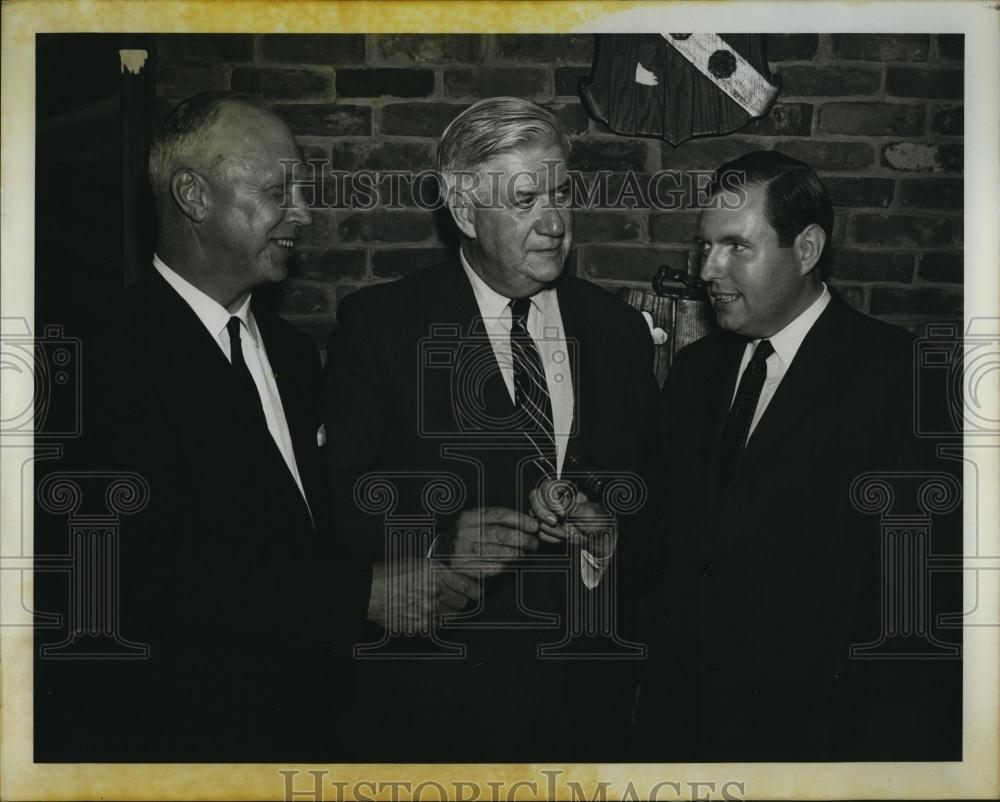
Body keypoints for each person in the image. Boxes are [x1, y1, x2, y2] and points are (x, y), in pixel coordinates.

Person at [34, 92, 373, 762]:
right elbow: (135, 577)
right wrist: (360, 597)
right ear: (192, 195)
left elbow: (295, 534)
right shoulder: (94, 360)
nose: (303, 213)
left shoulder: (295, 356)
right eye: (279, 190)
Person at [323, 97, 659, 761]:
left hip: (586, 705)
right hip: (438, 706)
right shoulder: (382, 327)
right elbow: (344, 500)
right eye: (526, 198)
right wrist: (439, 543)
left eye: (562, 192)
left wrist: (606, 531)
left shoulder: (618, 333)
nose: (555, 222)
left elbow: (657, 509)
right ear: (463, 207)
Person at [632, 150, 962, 761]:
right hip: (683, 734)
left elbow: (918, 604)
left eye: (737, 246)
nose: (709, 268)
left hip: (818, 743)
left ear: (806, 249)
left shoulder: (900, 375)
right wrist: (604, 535)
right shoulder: (695, 370)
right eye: (704, 246)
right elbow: (673, 545)